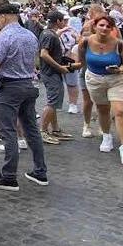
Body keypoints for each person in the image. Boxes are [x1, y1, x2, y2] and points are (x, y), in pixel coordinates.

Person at [0, 1, 49, 190]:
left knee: (8, 131)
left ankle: (9, 176)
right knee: (31, 130)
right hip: (29, 84)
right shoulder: (30, 35)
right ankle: (40, 171)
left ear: (3, 16)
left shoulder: (4, 37)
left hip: (9, 87)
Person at [79, 15, 123, 159]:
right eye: (102, 25)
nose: (105, 28)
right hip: (95, 80)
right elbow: (81, 61)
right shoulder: (85, 42)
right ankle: (107, 136)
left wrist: (120, 69)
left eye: (108, 26)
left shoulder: (119, 44)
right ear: (95, 26)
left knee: (120, 111)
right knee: (103, 110)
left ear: (112, 29)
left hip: (117, 79)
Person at [38, 11, 77, 145]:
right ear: (58, 21)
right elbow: (44, 54)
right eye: (63, 21)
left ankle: (55, 129)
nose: (65, 23)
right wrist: (59, 67)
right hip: (51, 73)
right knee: (52, 101)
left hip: (50, 72)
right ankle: (43, 131)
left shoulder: (48, 33)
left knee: (53, 102)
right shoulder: (49, 35)